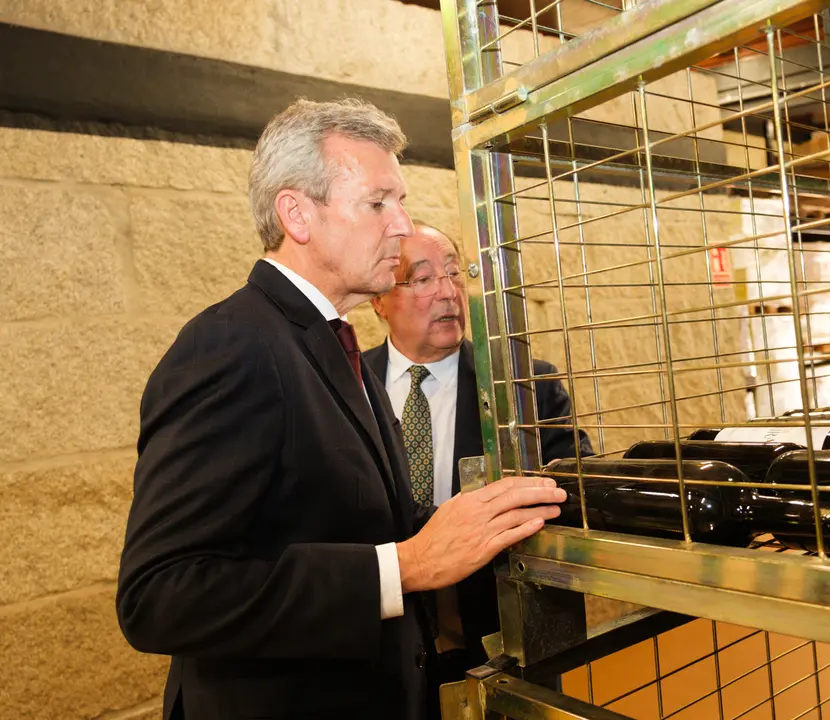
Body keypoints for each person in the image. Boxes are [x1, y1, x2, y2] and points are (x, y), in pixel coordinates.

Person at [114, 98, 566, 720]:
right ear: (297, 214)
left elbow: (346, 518)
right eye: (378, 203)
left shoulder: (331, 342)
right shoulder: (232, 345)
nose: (402, 225)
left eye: (399, 202)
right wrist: (403, 567)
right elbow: (160, 597)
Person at [366, 222, 593, 710]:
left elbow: (576, 492)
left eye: (455, 274)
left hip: (498, 647)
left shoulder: (525, 386)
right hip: (379, 652)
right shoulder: (346, 384)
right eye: (422, 279)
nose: (448, 292)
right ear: (379, 299)